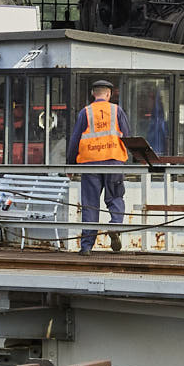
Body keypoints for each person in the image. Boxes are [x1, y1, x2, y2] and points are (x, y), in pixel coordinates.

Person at [74, 77, 130, 252]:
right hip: (114, 161)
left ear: (93, 94)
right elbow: (128, 137)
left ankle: (86, 247)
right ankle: (115, 226)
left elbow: (75, 139)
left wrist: (70, 164)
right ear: (109, 94)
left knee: (90, 203)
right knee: (115, 197)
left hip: (90, 163)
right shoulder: (117, 111)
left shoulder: (85, 112)